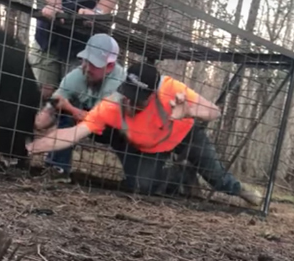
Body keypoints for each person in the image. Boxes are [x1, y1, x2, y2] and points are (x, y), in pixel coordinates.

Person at [27, 62, 263, 206]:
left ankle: (244, 192)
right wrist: (32, 148)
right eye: (128, 93)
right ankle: (181, 174)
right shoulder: (112, 105)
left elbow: (214, 112)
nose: (131, 101)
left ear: (153, 93)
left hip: (186, 135)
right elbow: (74, 133)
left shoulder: (171, 89)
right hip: (153, 147)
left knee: (217, 178)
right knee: (141, 187)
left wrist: (188, 110)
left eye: (139, 98)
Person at [32, 0, 128, 98]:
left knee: (72, 97)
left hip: (83, 43)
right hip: (49, 35)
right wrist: (54, 5)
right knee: (43, 92)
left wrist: (98, 12)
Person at [33, 33, 128, 183]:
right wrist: (43, 117)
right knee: (64, 112)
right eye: (86, 60)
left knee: (140, 184)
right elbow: (56, 100)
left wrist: (71, 108)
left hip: (115, 128)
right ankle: (58, 169)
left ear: (109, 66)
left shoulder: (119, 83)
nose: (87, 67)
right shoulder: (78, 74)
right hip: (87, 119)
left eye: (94, 64)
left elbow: (99, 121)